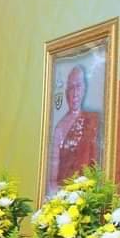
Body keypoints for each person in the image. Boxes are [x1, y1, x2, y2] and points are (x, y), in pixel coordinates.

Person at [47, 65, 101, 197]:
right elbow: (53, 180)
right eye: (71, 87)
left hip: (90, 197)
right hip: (66, 199)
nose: (75, 92)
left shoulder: (94, 120)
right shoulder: (60, 128)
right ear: (66, 93)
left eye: (78, 86)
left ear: (84, 89)